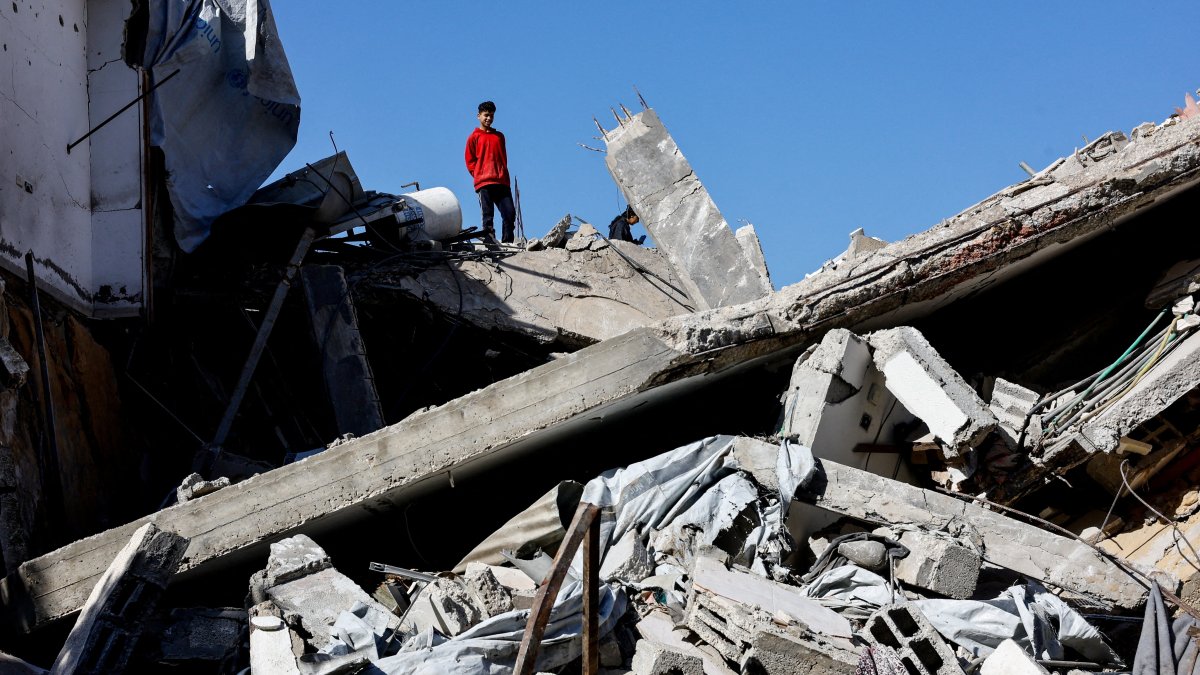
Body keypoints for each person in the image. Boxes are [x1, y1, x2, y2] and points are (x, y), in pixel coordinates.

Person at [464, 100, 516, 244]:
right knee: (488, 216)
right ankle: (490, 242)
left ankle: (507, 243)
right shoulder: (474, 137)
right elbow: (469, 160)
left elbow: (503, 158)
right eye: (486, 115)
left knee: (509, 214)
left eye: (491, 116)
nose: (489, 118)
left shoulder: (499, 136)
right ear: (478, 116)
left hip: (502, 181)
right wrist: (479, 174)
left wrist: (501, 172)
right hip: (484, 183)